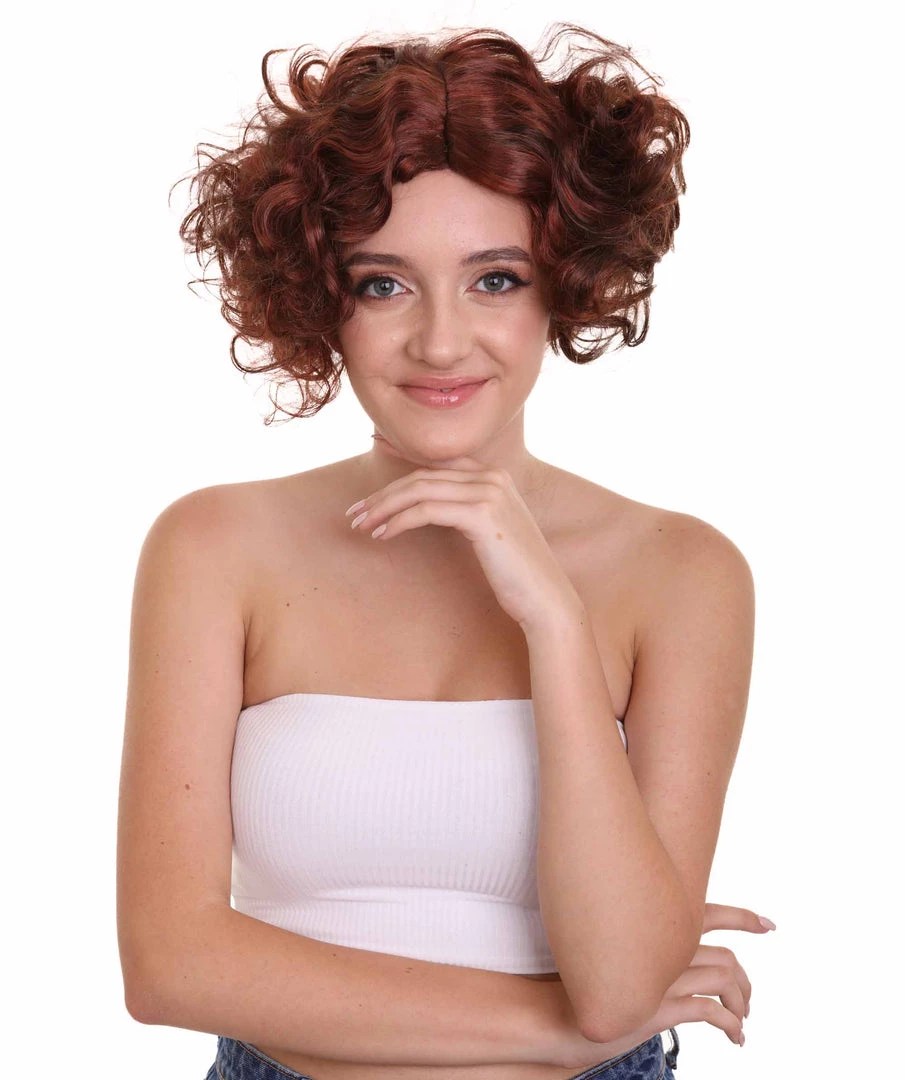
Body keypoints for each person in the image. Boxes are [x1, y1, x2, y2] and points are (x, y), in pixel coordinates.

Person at [116, 21, 773, 1080]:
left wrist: (552, 619)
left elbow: (618, 986)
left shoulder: (681, 573)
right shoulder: (214, 547)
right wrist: (557, 1030)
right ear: (319, 298)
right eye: (382, 283)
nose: (437, 341)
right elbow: (170, 967)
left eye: (494, 279)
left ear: (567, 281)